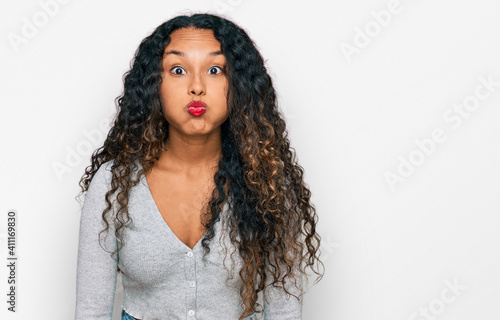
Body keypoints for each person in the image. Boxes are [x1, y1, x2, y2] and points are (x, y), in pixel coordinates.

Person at [75, 12, 324, 320]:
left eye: (215, 70)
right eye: (178, 70)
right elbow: (90, 311)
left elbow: (284, 309)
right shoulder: (114, 182)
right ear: (154, 85)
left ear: (239, 85)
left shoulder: (267, 182)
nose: (196, 87)